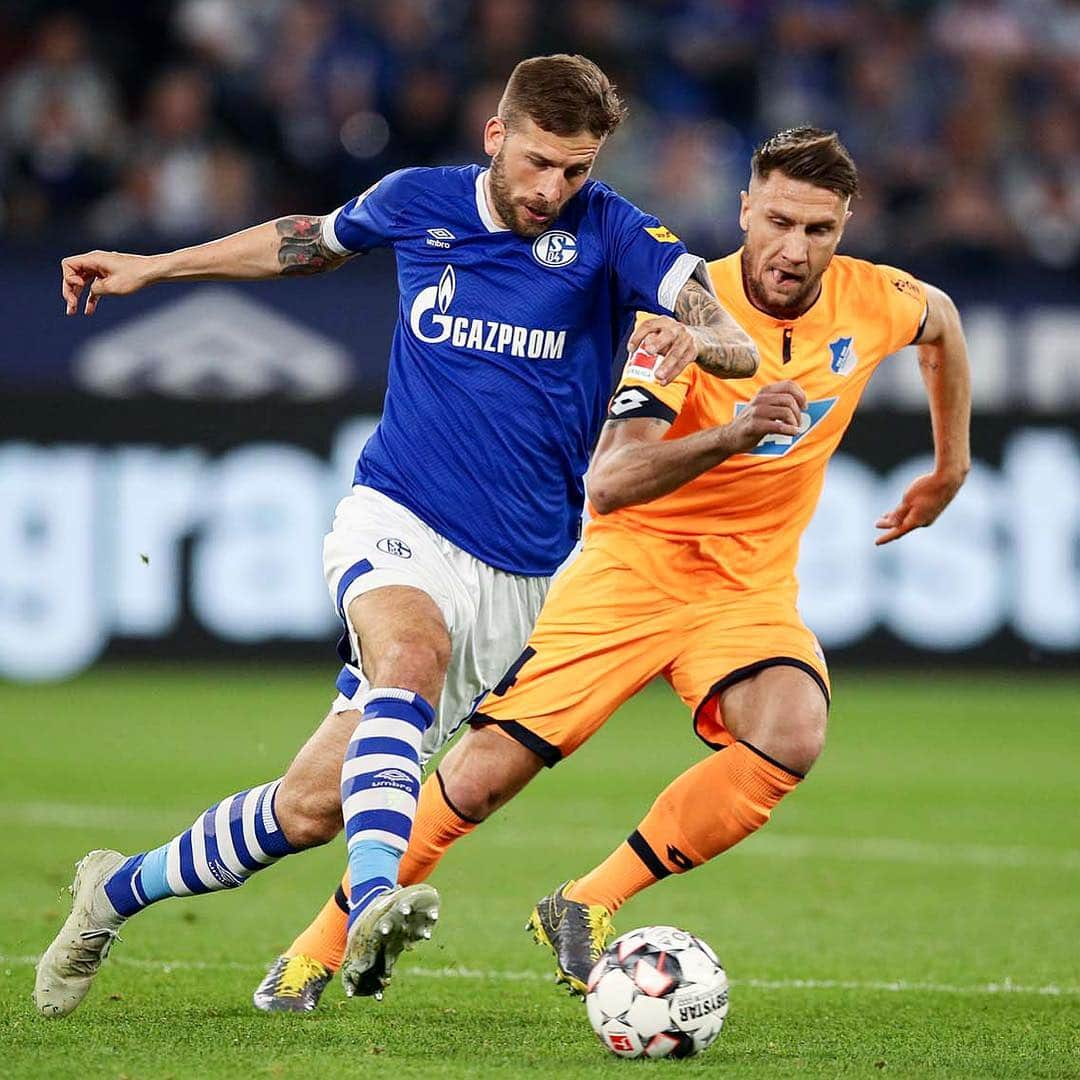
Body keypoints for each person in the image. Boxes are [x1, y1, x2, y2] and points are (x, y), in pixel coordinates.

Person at [34, 54, 759, 1019]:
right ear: (495, 137)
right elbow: (304, 241)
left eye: (576, 169)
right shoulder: (419, 200)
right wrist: (157, 266)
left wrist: (692, 338)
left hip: (518, 574)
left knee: (306, 809)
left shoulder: (614, 230)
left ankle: (111, 893)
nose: (554, 189)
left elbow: (732, 333)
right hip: (396, 512)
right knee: (410, 656)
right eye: (539, 161)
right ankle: (376, 897)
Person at [252, 126, 971, 1011]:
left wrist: (950, 465)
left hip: (746, 588)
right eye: (778, 220)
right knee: (476, 780)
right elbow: (612, 482)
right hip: (627, 573)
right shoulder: (678, 320)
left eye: (819, 230)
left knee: (792, 730)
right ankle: (316, 949)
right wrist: (735, 433)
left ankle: (584, 903)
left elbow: (941, 322)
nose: (794, 248)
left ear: (845, 226)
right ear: (745, 209)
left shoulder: (877, 299)